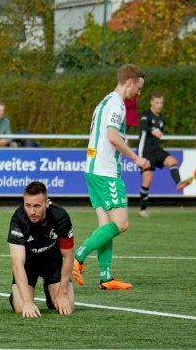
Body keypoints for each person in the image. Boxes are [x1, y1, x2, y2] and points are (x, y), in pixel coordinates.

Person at [72, 64, 149, 290]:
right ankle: (77, 257)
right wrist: (136, 158)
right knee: (121, 223)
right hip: (105, 171)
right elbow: (113, 137)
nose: (139, 92)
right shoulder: (117, 104)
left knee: (105, 225)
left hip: (93, 169)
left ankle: (106, 277)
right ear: (130, 82)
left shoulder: (105, 101)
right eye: (139, 87)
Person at [7, 181, 75, 317]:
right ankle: (17, 295)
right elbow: (17, 264)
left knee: (65, 306)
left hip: (53, 262)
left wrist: (62, 293)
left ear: (47, 203)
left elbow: (68, 256)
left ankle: (51, 290)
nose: (32, 211)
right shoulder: (18, 220)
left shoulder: (61, 216)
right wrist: (27, 301)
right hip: (29, 264)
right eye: (28, 205)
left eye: (37, 206)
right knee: (21, 308)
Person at [137, 92, 193, 218]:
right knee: (148, 179)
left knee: (172, 160)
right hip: (145, 152)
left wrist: (158, 133)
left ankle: (178, 183)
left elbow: (159, 133)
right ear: (151, 102)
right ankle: (143, 209)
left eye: (161, 103)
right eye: (156, 102)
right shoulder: (146, 114)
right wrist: (153, 131)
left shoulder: (161, 118)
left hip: (156, 150)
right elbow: (143, 126)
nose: (159, 105)